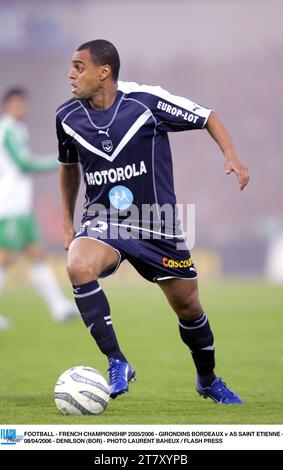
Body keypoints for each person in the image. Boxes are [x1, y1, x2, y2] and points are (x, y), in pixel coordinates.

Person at [57, 39, 249, 404]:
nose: (71, 74)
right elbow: (68, 168)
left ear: (104, 71)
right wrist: (68, 223)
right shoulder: (66, 117)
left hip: (156, 225)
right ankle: (117, 361)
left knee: (189, 307)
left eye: (78, 67)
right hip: (103, 221)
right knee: (78, 265)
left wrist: (232, 156)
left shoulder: (145, 103)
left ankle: (207, 379)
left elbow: (207, 116)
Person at [0, 88, 77, 328]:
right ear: (7, 106)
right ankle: (58, 306)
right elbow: (23, 163)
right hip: (9, 205)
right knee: (4, 257)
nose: (21, 108)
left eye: (23, 104)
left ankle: (58, 307)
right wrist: (60, 161)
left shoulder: (19, 128)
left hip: (21, 205)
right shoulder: (8, 129)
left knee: (36, 254)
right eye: (16, 104)